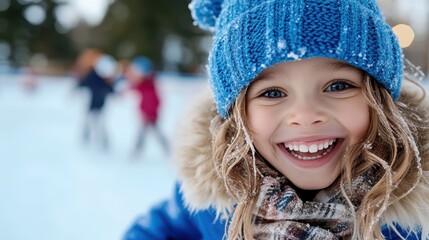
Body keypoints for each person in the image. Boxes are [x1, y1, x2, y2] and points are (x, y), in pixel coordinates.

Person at [123, 0, 429, 239]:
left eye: (338, 86)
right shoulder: (214, 202)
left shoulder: (414, 221)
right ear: (237, 113)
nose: (306, 115)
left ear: (379, 100)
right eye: (272, 93)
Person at [124, 56, 169, 156]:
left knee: (151, 132)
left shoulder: (148, 85)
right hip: (146, 113)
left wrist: (149, 114)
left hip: (149, 114)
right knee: (147, 132)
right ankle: (138, 150)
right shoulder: (144, 83)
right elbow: (132, 86)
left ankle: (138, 150)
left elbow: (153, 102)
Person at [75, 52, 118, 149]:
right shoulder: (92, 77)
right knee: (88, 121)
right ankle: (85, 138)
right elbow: (83, 83)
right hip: (91, 104)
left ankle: (104, 141)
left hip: (101, 105)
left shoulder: (106, 80)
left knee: (101, 123)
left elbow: (111, 89)